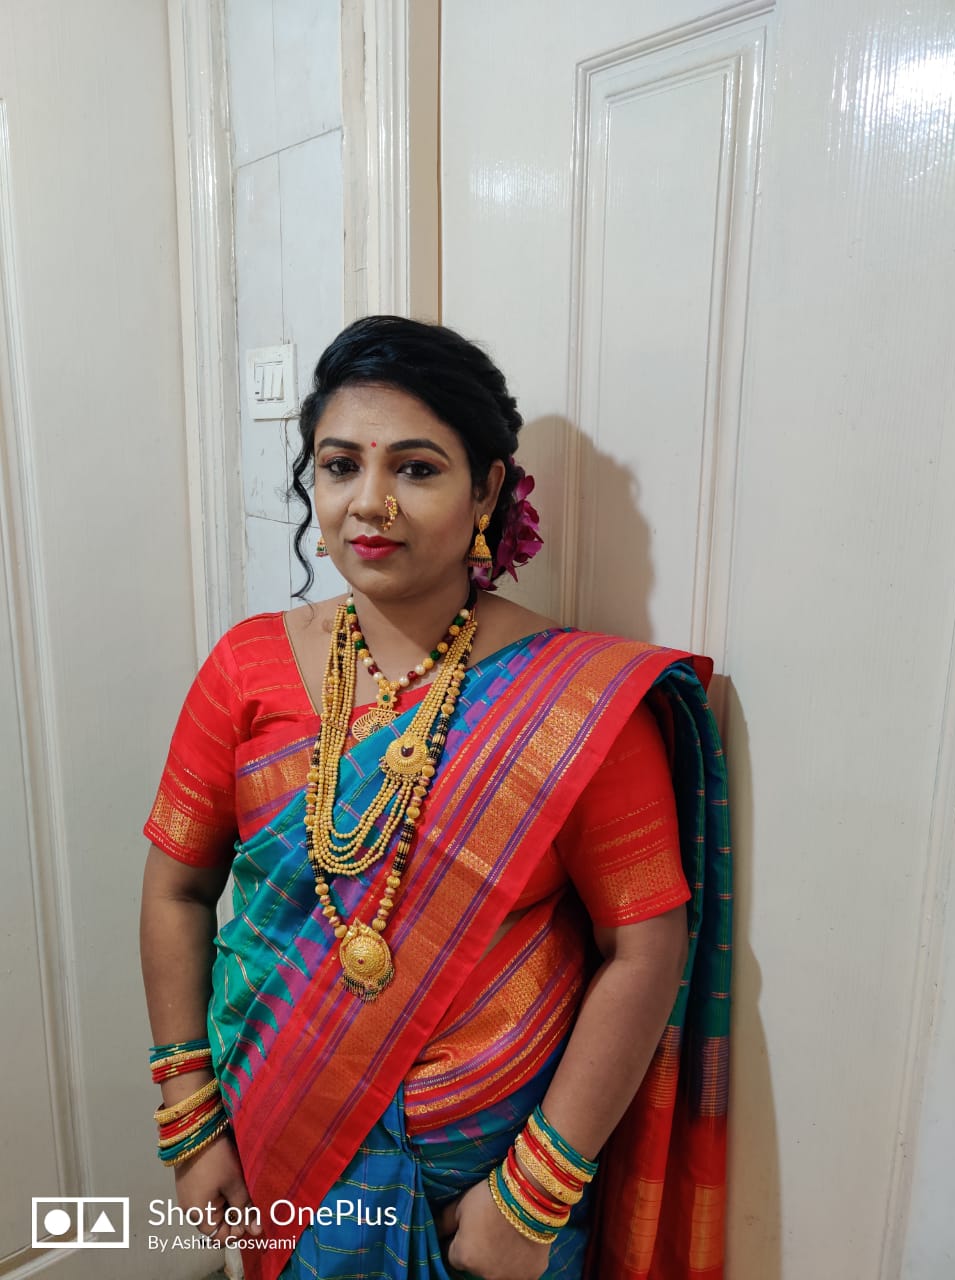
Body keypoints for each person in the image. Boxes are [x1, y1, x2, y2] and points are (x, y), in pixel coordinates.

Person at [140, 316, 731, 1280]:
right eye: (341, 466)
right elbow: (175, 889)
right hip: (278, 1142)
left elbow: (646, 944)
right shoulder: (244, 669)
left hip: (488, 1205)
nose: (370, 504)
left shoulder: (573, 703)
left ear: (488, 488)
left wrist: (534, 1196)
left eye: (416, 468)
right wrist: (190, 1116)